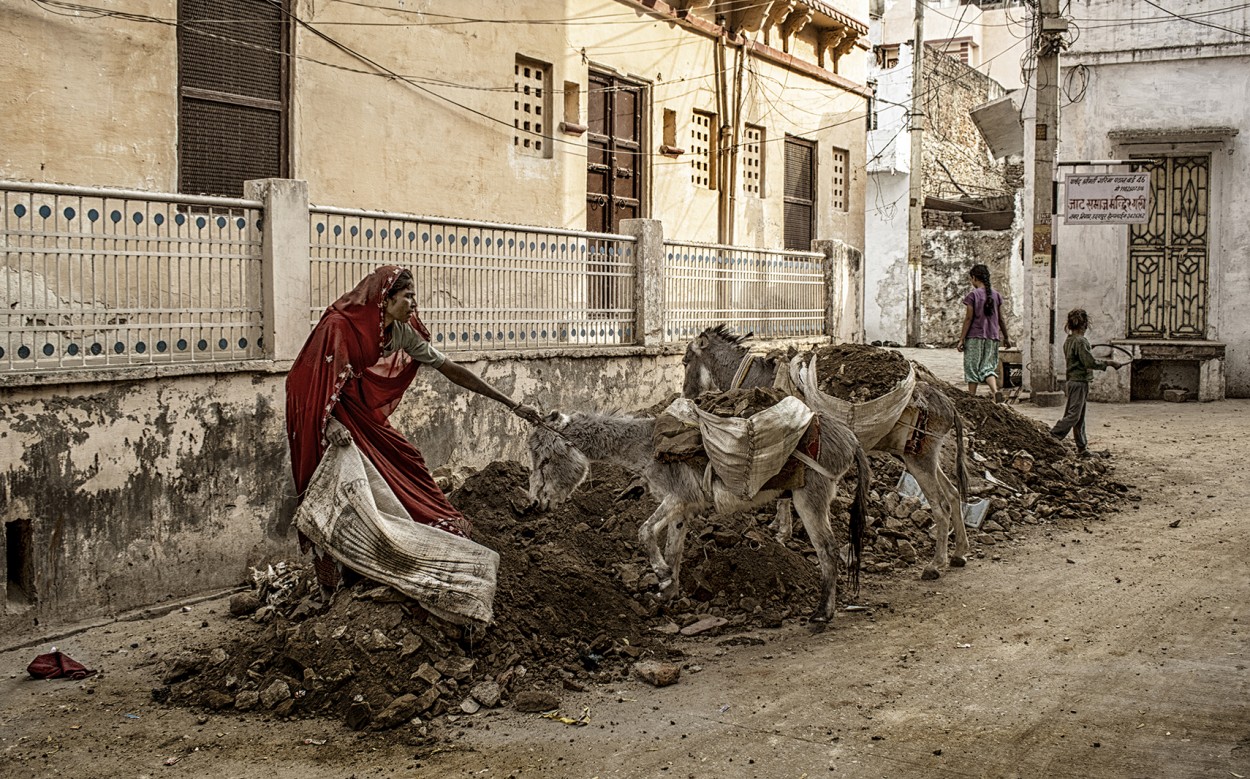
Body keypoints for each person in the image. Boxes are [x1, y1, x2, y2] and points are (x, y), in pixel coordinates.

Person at [285, 264, 542, 587]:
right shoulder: (339, 326)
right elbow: (305, 379)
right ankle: (335, 571)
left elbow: (449, 368)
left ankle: (409, 541)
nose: (414, 305)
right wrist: (329, 422)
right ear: (385, 299)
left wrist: (512, 404)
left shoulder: (401, 332)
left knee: (407, 460)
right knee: (343, 482)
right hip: (322, 409)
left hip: (358, 411)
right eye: (408, 297)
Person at [1051, 308, 1122, 457]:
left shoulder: (1070, 340)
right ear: (1085, 324)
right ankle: (1052, 437)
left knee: (1078, 416)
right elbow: (1089, 362)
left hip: (1072, 381)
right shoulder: (1080, 341)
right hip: (1079, 382)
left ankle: (1082, 448)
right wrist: (1109, 363)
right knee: (1074, 416)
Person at [957, 263, 1010, 402]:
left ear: (974, 278)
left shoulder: (973, 295)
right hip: (992, 337)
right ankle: (995, 391)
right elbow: (1001, 319)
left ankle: (972, 397)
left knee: (972, 368)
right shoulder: (996, 295)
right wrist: (1006, 337)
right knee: (988, 367)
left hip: (975, 337)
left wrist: (961, 339)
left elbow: (968, 318)